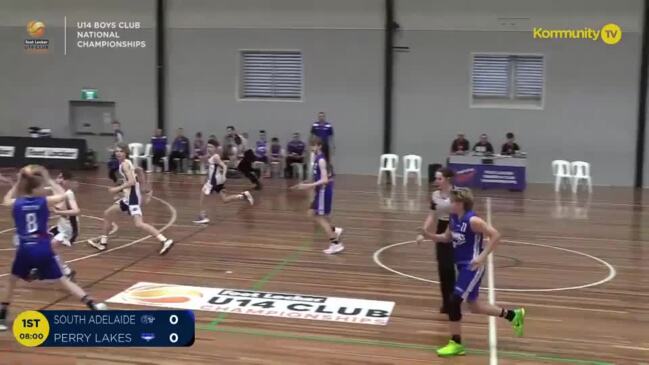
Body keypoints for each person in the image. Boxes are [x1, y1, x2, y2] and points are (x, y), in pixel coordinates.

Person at [420, 187, 526, 357]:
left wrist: (482, 257)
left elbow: (496, 235)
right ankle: (513, 315)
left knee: (454, 301)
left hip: (472, 267)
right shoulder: (454, 218)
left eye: (453, 201)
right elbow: (446, 237)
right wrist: (429, 235)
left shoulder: (473, 220)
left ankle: (456, 343)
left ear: (461, 203)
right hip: (461, 266)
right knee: (475, 306)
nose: (450, 204)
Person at [0, 165, 107, 332]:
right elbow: (62, 194)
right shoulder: (43, 202)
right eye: (41, 186)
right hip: (43, 248)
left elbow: (6, 201)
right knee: (63, 280)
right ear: (35, 189)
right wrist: (48, 178)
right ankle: (92, 305)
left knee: (11, 281)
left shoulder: (17, 203)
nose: (44, 188)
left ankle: (2, 317)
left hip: (25, 249)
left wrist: (19, 182)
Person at [87, 143, 174, 255]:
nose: (118, 153)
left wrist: (117, 189)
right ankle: (103, 242)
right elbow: (137, 173)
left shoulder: (124, 165)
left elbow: (132, 181)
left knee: (139, 224)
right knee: (108, 213)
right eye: (117, 151)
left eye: (121, 151)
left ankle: (165, 240)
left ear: (126, 153)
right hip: (129, 197)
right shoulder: (127, 163)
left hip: (132, 198)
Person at [290, 138, 344, 255]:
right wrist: (304, 182)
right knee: (311, 213)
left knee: (319, 217)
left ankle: (336, 244)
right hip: (320, 191)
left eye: (313, 146)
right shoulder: (316, 159)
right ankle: (334, 230)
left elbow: (324, 179)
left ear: (319, 146)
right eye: (310, 146)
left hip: (324, 191)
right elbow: (317, 176)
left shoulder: (321, 160)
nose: (311, 148)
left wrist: (308, 186)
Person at [416, 168, 456, 314]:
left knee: (451, 268)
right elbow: (432, 215)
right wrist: (423, 232)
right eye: (436, 178)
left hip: (456, 229)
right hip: (441, 227)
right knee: (443, 268)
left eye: (439, 179)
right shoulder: (434, 195)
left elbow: (462, 213)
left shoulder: (457, 194)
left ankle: (455, 300)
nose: (436, 181)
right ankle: (446, 302)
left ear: (447, 179)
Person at [192, 139, 254, 224]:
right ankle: (243, 195)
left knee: (202, 196)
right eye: (208, 146)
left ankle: (203, 216)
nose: (209, 148)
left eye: (211, 147)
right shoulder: (211, 156)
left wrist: (224, 175)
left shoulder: (215, 157)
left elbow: (224, 166)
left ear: (215, 148)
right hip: (218, 180)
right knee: (225, 199)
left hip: (214, 181)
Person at [48, 171, 80, 280]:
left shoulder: (68, 194)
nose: (59, 179)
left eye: (62, 177)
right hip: (61, 225)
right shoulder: (57, 192)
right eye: (58, 177)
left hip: (69, 228)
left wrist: (58, 212)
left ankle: (67, 271)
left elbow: (76, 211)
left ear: (66, 181)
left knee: (51, 246)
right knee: (41, 242)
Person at [227, 126, 262, 191]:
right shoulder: (237, 137)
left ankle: (256, 180)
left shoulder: (236, 137)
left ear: (233, 131)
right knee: (245, 169)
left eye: (230, 131)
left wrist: (236, 156)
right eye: (228, 131)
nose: (229, 132)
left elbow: (240, 147)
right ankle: (256, 173)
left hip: (248, 154)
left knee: (242, 168)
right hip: (248, 154)